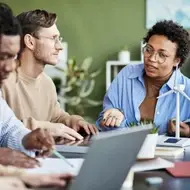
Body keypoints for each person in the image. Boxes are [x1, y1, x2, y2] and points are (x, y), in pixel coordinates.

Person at [1, 9, 98, 138]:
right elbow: (4, 129)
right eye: (53, 38)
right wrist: (44, 127)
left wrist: (73, 121)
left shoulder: (47, 83)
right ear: (30, 42)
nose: (59, 46)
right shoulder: (4, 79)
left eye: (59, 39)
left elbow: (56, 117)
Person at [97, 20, 190, 136]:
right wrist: (112, 116)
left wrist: (188, 131)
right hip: (123, 151)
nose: (151, 58)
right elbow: (102, 120)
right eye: (149, 50)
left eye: (162, 55)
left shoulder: (187, 89)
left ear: (177, 60)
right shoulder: (127, 75)